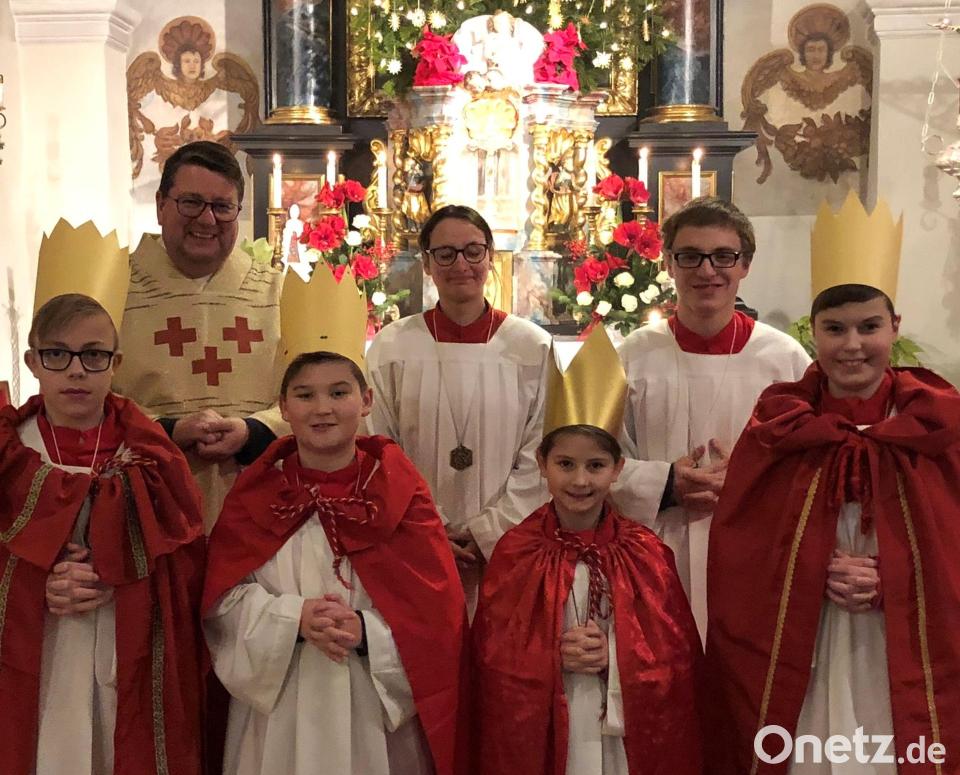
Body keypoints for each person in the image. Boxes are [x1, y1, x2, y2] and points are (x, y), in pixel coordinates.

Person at [705, 194, 960, 773]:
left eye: (869, 327)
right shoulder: (780, 423)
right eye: (835, 328)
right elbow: (742, 544)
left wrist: (893, 576)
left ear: (895, 326)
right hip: (809, 632)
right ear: (812, 331)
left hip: (902, 635)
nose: (852, 345)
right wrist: (811, 567)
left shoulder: (936, 422)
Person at [202, 269, 468, 775]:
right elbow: (222, 603)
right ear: (283, 407)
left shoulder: (400, 492)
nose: (322, 408)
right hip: (279, 708)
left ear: (366, 402)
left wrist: (368, 631)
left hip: (373, 707)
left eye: (339, 392)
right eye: (304, 395)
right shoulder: (256, 494)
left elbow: (437, 613)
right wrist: (293, 619)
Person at [473, 327, 703, 775]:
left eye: (596, 465)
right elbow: (493, 661)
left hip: (620, 740)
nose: (580, 480)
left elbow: (674, 659)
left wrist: (614, 657)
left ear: (618, 469)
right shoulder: (515, 552)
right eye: (566, 464)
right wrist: (550, 655)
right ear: (542, 465)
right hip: (545, 732)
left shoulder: (647, 554)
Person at [0, 292, 205, 775]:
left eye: (93, 355)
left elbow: (185, 565)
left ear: (116, 363)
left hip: (124, 647)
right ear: (32, 362)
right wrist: (37, 584)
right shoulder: (9, 452)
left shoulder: (153, 454)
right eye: (57, 354)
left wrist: (120, 575)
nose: (76, 371)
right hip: (35, 651)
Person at [615, 196, 810, 642]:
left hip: (755, 549)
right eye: (690, 256)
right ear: (668, 263)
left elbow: (811, 463)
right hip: (654, 547)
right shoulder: (632, 355)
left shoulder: (784, 358)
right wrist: (665, 483)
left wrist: (747, 483)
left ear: (745, 265)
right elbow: (596, 459)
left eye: (723, 256)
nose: (707, 271)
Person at [365, 205, 557, 608]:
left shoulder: (532, 346)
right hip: (414, 541)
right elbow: (378, 448)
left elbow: (545, 449)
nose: (461, 265)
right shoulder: (392, 346)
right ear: (427, 263)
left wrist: (491, 531)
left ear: (490, 257)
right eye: (445, 253)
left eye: (473, 251)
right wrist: (428, 526)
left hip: (512, 545)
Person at [113, 140, 286, 532]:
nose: (207, 220)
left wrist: (253, 431)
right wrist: (168, 430)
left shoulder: (278, 291)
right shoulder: (112, 287)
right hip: (144, 508)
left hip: (259, 508)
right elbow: (81, 398)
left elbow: (315, 396)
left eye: (222, 207)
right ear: (160, 205)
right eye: (191, 202)